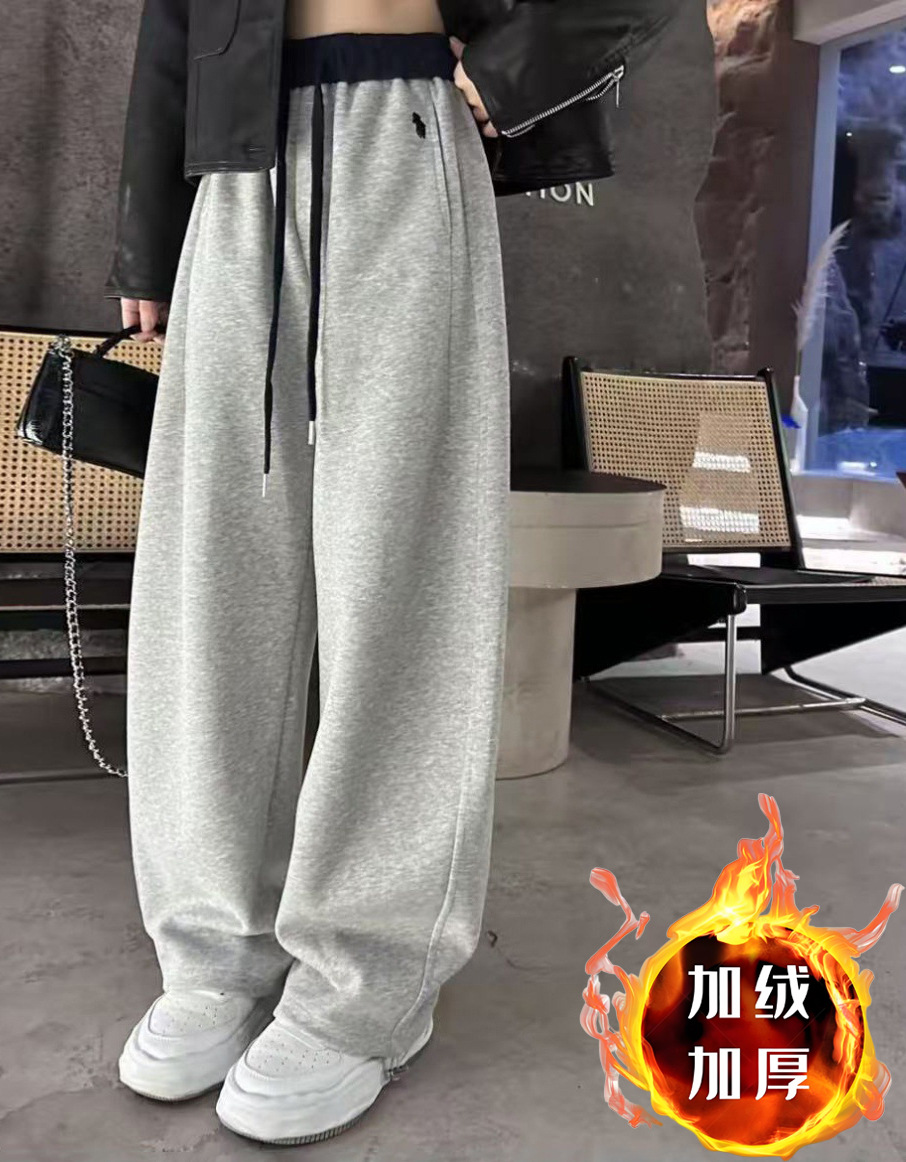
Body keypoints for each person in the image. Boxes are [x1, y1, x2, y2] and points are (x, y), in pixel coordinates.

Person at [103, 0, 679, 1145]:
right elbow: (175, 19)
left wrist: (513, 72)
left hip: (410, 129)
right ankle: (214, 947)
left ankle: (368, 977)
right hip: (236, 168)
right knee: (209, 583)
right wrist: (146, 232)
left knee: (401, 580)